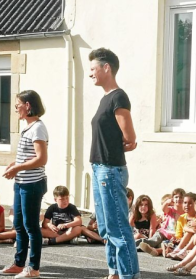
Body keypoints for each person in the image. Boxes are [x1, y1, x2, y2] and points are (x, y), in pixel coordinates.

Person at [88, 48, 140, 279]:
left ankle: (129, 275)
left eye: (93, 68)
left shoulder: (118, 97)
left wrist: (126, 143)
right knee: (106, 229)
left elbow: (129, 137)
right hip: (100, 168)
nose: (91, 74)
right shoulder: (105, 98)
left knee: (118, 228)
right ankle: (114, 272)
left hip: (110, 170)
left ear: (106, 67)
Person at [0, 90, 48, 279]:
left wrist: (17, 168)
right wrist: (15, 164)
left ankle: (33, 268)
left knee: (31, 226)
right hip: (22, 183)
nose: (15, 108)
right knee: (18, 223)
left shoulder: (38, 128)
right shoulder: (28, 127)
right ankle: (19, 264)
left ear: (28, 105)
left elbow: (42, 159)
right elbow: (30, 155)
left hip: (32, 184)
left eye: (18, 104)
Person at [138, 188, 185, 257]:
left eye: (181, 197)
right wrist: (167, 202)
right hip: (163, 232)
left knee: (165, 246)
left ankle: (154, 251)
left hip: (172, 236)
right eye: (176, 197)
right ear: (172, 199)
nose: (179, 199)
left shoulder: (185, 213)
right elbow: (163, 209)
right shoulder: (171, 209)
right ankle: (132, 245)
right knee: (153, 241)